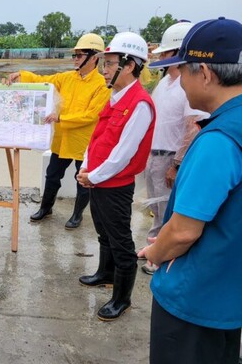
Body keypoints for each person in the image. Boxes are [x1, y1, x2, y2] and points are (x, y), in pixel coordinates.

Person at [138, 17, 242, 364]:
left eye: (182, 71)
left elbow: (183, 232)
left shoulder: (218, 140)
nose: (179, 81)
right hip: (228, 295)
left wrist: (155, 253)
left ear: (207, 74)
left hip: (194, 301)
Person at [76, 32, 156, 321]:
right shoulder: (115, 97)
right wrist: (86, 167)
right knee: (103, 232)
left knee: (121, 241)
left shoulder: (140, 103)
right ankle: (105, 274)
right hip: (98, 180)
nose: (104, 70)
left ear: (130, 65)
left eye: (109, 64)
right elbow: (97, 137)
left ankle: (122, 299)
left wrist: (92, 176)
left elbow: (123, 154)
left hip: (115, 185)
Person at [7, 33, 111, 230]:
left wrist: (61, 118)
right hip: (62, 139)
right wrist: (21, 75)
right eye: (75, 55)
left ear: (94, 58)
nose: (75, 59)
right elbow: (44, 81)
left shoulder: (101, 85)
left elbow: (91, 115)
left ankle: (77, 214)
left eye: (79, 56)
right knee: (52, 174)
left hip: (83, 142)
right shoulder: (67, 78)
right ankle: (46, 208)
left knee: (82, 180)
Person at [141, 21, 210, 275]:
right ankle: (152, 248)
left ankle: (160, 257)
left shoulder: (187, 83)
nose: (163, 57)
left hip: (170, 157)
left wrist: (176, 164)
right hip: (155, 154)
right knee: (156, 208)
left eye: (167, 53)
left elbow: (192, 127)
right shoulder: (166, 82)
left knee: (168, 209)